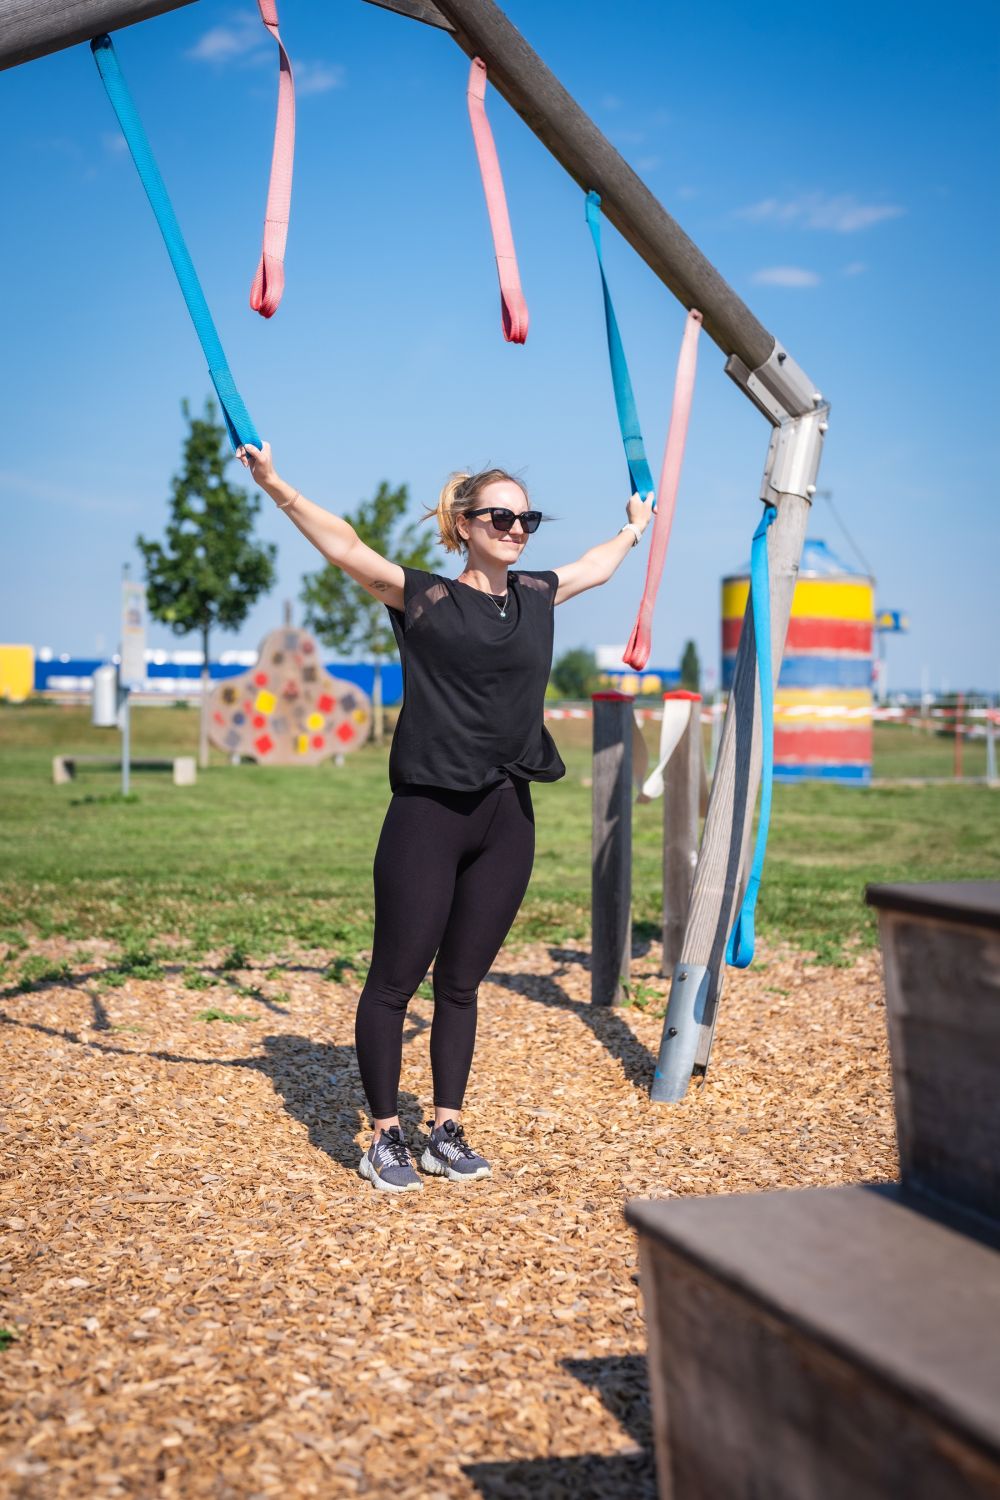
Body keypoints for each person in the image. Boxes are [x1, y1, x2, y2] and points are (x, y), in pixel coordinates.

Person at [238, 443, 653, 1192]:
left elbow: (595, 566)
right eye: (501, 515)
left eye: (527, 517)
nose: (517, 526)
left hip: (507, 817)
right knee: (395, 982)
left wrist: (633, 528)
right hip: (428, 813)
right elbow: (348, 548)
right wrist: (278, 487)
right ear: (463, 523)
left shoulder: (535, 593)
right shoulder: (425, 598)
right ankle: (383, 1137)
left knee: (460, 985)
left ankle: (445, 1127)